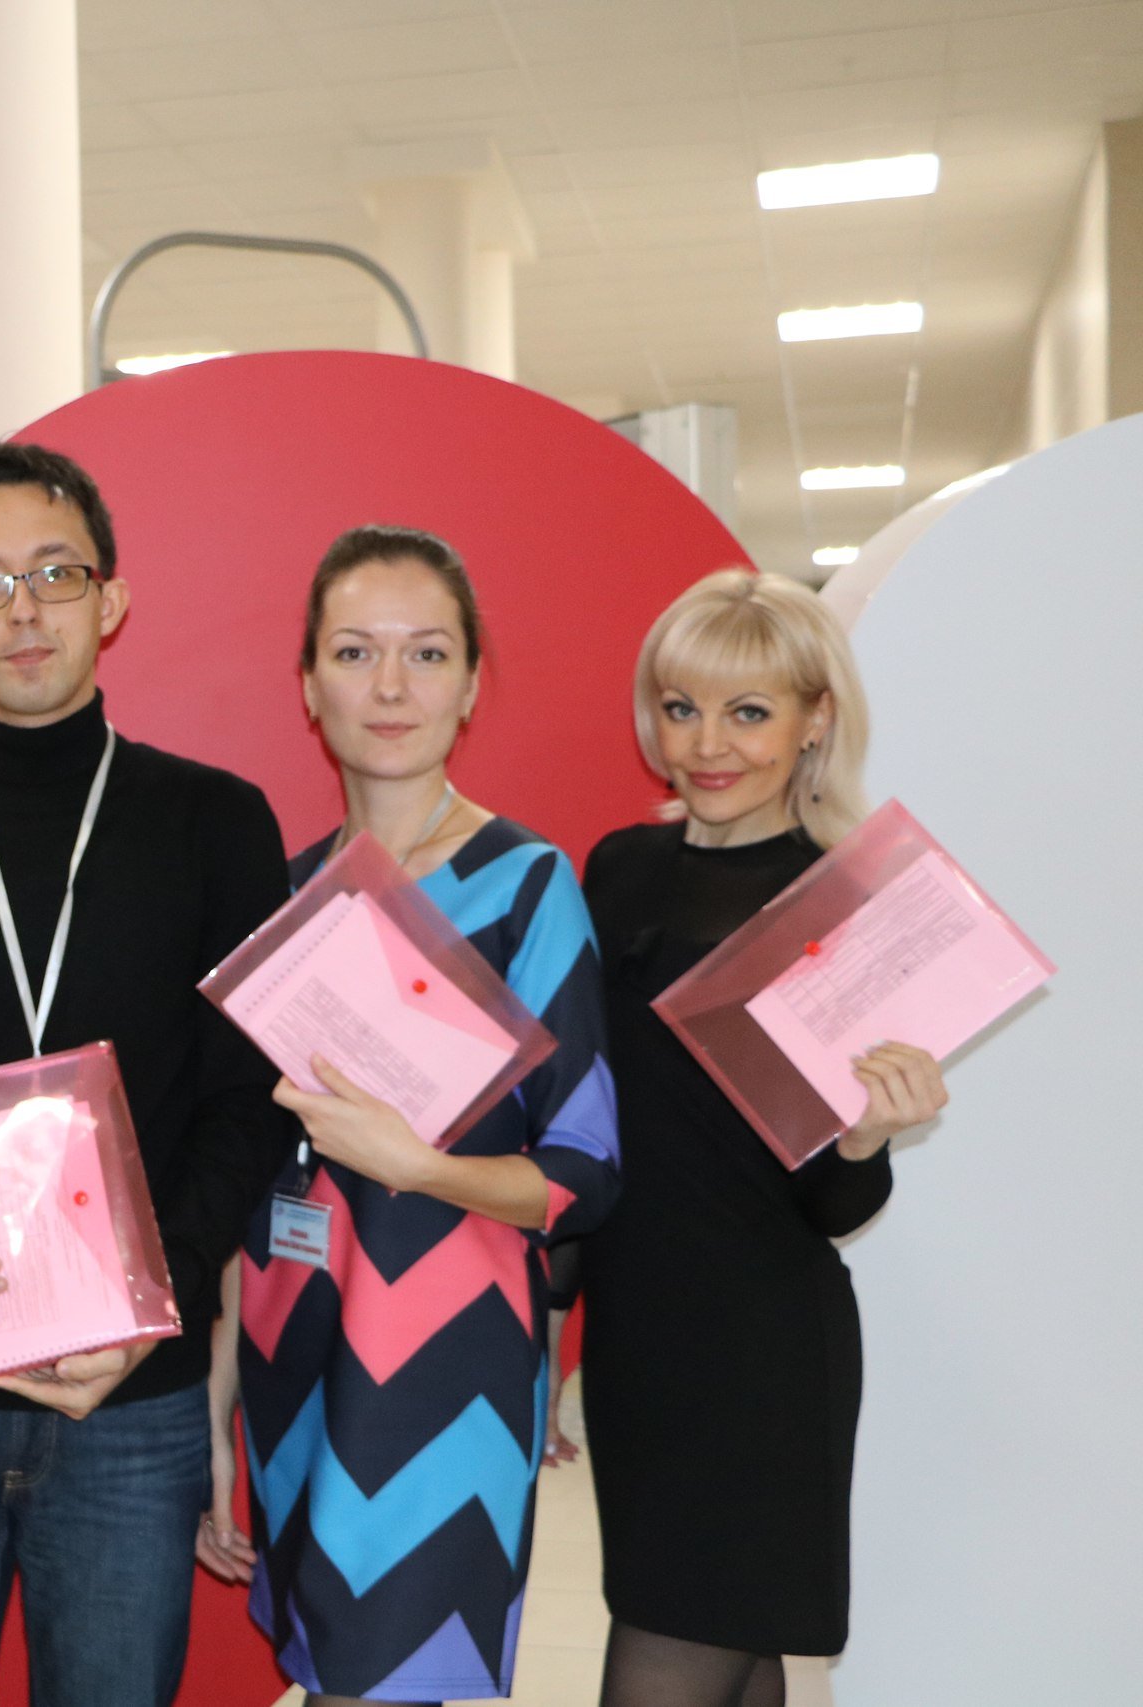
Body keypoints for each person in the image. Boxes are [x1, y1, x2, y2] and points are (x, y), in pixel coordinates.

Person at [0, 442, 291, 1707]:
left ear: (109, 599)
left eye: (54, 574)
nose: (22, 610)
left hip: (134, 1399)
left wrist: (158, 1292)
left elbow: (245, 1104)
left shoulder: (217, 825)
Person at [203, 525, 620, 1706]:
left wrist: (417, 1164)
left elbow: (582, 1175)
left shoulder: (525, 885)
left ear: (471, 684)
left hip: (448, 1361)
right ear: (307, 685)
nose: (390, 687)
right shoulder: (284, 899)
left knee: (381, 1679)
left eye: (426, 654)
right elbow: (249, 1177)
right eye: (355, 652)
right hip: (291, 1348)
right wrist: (214, 1415)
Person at [579, 568, 947, 1707]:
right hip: (637, 1337)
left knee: (681, 1649)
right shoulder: (618, 869)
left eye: (747, 711)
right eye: (681, 707)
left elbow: (833, 1208)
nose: (707, 744)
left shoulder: (847, 903)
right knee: (732, 1668)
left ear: (814, 720)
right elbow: (592, 1119)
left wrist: (866, 1138)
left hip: (762, 1351)